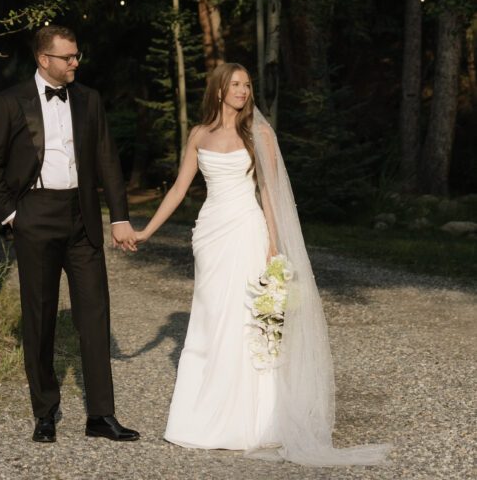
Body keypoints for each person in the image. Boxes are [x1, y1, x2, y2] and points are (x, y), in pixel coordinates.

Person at [134, 63, 389, 466]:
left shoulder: (260, 134)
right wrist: (146, 231)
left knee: (246, 320)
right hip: (211, 234)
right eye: (235, 84)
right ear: (218, 90)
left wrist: (274, 243)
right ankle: (200, 418)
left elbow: (269, 192)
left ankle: (252, 420)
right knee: (209, 317)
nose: (242, 91)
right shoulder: (199, 135)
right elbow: (181, 187)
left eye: (247, 85)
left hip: (248, 232)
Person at [0, 24, 139, 445]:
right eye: (68, 57)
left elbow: (107, 160)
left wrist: (119, 216)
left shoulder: (89, 99)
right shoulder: (9, 102)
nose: (75, 62)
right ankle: (45, 413)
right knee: (41, 317)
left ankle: (101, 416)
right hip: (35, 215)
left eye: (77, 55)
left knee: (95, 315)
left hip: (81, 216)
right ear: (43, 59)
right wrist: (13, 215)